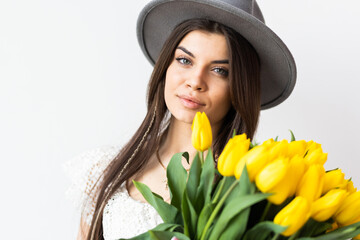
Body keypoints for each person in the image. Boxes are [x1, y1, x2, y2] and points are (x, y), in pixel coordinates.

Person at [68, 0, 296, 239]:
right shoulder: (106, 169)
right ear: (166, 66)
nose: (196, 81)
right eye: (185, 60)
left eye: (219, 70)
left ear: (240, 88)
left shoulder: (248, 192)